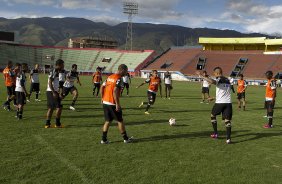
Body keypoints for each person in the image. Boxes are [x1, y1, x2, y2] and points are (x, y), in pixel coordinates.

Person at [197, 67, 233, 144]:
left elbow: (212, 81)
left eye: (214, 74)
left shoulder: (219, 79)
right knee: (227, 121)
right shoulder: (228, 80)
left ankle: (216, 133)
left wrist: (201, 76)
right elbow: (224, 93)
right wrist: (213, 98)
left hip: (220, 103)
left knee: (212, 115)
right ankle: (228, 139)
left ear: (217, 73)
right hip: (228, 103)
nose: (214, 75)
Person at [100, 64, 133, 144]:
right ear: (122, 70)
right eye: (126, 71)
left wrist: (102, 98)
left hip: (105, 102)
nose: (126, 72)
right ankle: (125, 139)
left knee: (108, 121)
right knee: (120, 121)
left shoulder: (110, 77)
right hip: (112, 103)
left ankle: (103, 139)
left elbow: (102, 87)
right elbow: (115, 91)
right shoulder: (119, 79)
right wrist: (117, 104)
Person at [45, 59, 65, 128]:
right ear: (59, 65)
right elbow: (50, 83)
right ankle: (47, 124)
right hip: (50, 91)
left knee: (59, 107)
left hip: (56, 91)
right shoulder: (54, 71)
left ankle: (57, 123)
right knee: (51, 108)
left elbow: (61, 84)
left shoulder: (62, 72)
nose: (63, 66)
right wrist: (53, 92)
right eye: (62, 64)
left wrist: (60, 93)